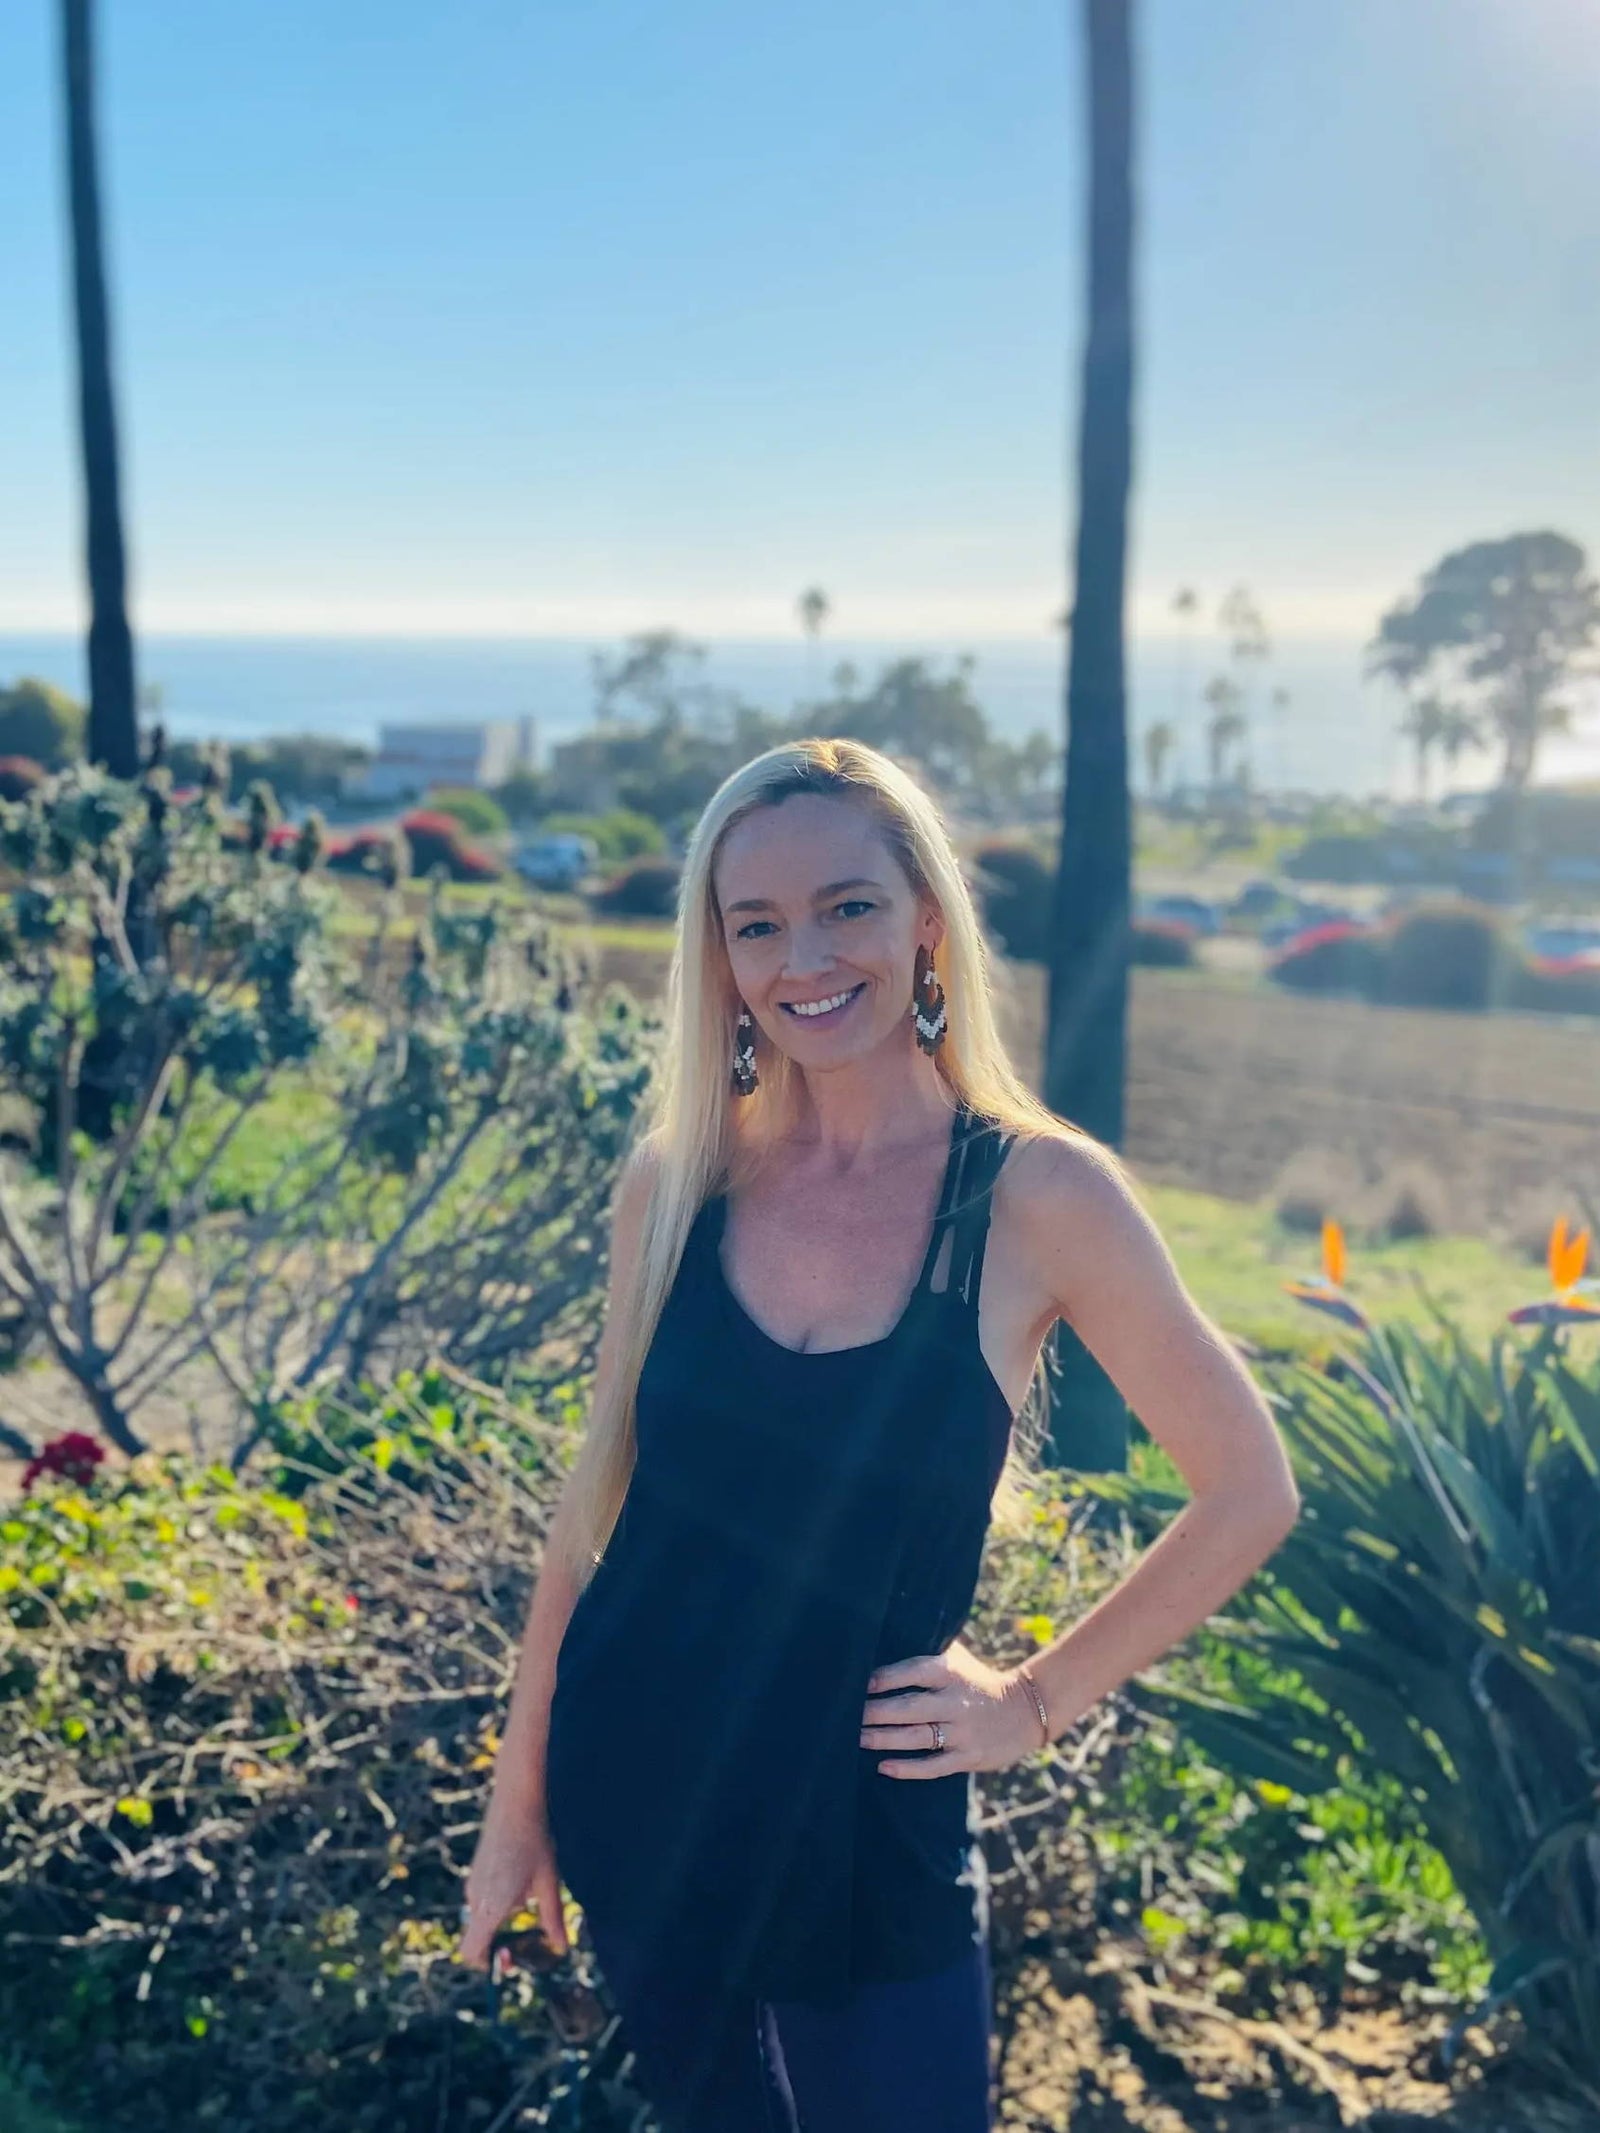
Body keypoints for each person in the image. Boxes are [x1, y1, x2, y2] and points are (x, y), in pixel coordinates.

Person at [459, 738, 1300, 2129]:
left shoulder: (1035, 1197)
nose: (806, 957)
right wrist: (519, 1810)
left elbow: (1247, 1489)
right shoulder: (679, 1180)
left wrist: (1032, 1702)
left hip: (867, 1850)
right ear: (719, 958)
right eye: (758, 923)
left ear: (926, 918)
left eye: (846, 904)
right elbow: (596, 1511)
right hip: (643, 1807)